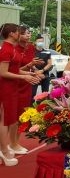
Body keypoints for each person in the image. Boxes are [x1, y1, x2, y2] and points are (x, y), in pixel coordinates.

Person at [0, 24, 40, 167]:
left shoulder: (11, 48)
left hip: (13, 88)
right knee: (4, 120)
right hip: (6, 88)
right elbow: (3, 72)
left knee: (9, 119)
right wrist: (23, 77)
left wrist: (29, 74)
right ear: (11, 34)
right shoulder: (6, 49)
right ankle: (4, 149)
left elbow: (15, 70)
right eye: (18, 32)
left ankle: (5, 148)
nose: (20, 34)